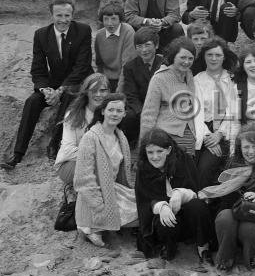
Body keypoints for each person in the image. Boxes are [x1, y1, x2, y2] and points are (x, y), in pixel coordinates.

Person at [2, 0, 93, 170]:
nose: (63, 20)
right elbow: (38, 69)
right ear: (51, 15)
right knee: (32, 102)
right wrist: (45, 90)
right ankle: (17, 154)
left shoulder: (83, 30)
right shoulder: (41, 35)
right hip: (53, 82)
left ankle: (54, 145)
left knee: (69, 94)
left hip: (78, 81)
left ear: (72, 15)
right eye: (59, 15)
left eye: (67, 15)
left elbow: (82, 66)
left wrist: (60, 90)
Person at [202, 124, 255, 271]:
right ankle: (226, 258)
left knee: (249, 227)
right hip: (234, 218)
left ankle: (252, 258)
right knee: (224, 217)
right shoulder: (232, 165)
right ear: (239, 148)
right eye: (246, 147)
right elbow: (224, 204)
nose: (250, 152)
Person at [135, 128, 214, 264]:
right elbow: (144, 201)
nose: (155, 157)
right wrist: (161, 206)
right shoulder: (143, 169)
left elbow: (196, 191)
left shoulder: (183, 160)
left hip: (187, 219)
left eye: (160, 151)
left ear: (169, 150)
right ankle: (168, 245)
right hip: (164, 223)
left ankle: (203, 246)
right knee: (164, 220)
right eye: (150, 152)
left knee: (198, 206)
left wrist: (180, 193)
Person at [74, 93, 137, 247]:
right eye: (111, 110)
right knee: (111, 214)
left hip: (114, 189)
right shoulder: (90, 137)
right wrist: (99, 205)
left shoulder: (121, 137)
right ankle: (92, 228)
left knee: (145, 207)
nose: (114, 114)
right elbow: (83, 178)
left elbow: (124, 174)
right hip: (94, 194)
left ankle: (105, 225)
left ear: (124, 114)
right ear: (103, 111)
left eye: (119, 111)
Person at [54, 73, 110, 206]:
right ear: (86, 92)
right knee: (97, 170)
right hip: (70, 164)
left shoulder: (110, 113)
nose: (98, 95)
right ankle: (75, 196)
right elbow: (67, 150)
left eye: (102, 90)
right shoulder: (74, 114)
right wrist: (95, 154)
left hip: (100, 162)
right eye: (94, 91)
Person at [193, 37, 240, 188]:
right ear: (204, 56)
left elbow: (233, 111)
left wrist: (219, 134)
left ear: (224, 57)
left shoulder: (232, 80)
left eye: (218, 55)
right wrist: (208, 137)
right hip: (203, 129)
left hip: (226, 129)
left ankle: (204, 200)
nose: (213, 59)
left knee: (205, 167)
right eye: (209, 55)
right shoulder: (197, 80)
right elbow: (196, 112)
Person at [140, 37, 198, 156]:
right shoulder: (159, 78)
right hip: (166, 136)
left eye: (190, 58)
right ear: (173, 56)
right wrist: (144, 145)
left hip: (189, 135)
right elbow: (148, 115)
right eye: (183, 57)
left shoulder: (189, 75)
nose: (187, 62)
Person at [118, 27, 164, 144]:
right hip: (141, 107)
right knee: (129, 117)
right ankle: (131, 143)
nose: (143, 50)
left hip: (161, 106)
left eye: (147, 45)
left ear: (156, 45)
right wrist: (143, 113)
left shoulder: (165, 63)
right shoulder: (130, 67)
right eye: (139, 46)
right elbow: (131, 95)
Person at [94, 0, 136, 92]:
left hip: (125, 77)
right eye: (106, 19)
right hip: (107, 79)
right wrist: (101, 84)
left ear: (120, 20)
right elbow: (98, 64)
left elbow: (127, 65)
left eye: (113, 19)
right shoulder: (99, 35)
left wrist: (119, 89)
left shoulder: (128, 32)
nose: (109, 23)